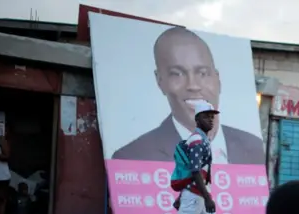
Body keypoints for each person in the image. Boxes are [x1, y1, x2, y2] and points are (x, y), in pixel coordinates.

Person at [112, 27, 264, 165]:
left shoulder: (254, 147)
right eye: (177, 74)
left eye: (203, 73)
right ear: (160, 81)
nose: (193, 85)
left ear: (218, 79)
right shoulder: (132, 157)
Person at [149, 101, 250, 214]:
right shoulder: (197, 140)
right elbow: (195, 171)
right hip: (197, 195)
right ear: (197, 119)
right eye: (206, 116)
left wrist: (184, 195)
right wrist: (207, 197)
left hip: (196, 194)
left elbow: (192, 172)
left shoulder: (201, 138)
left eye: (212, 117)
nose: (211, 120)